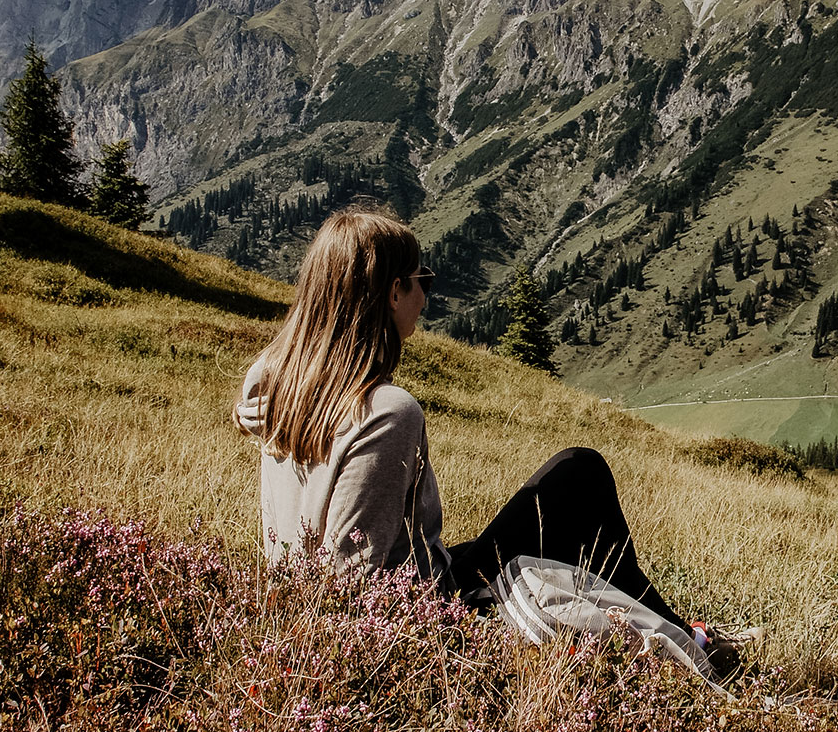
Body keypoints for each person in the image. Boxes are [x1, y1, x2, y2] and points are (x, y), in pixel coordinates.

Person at [234, 208, 720, 655]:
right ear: (393, 291)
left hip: (299, 597)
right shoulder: (386, 414)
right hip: (425, 612)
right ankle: (689, 641)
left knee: (571, 487)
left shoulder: (273, 381)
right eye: (420, 280)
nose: (425, 297)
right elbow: (349, 582)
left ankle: (682, 630)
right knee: (579, 475)